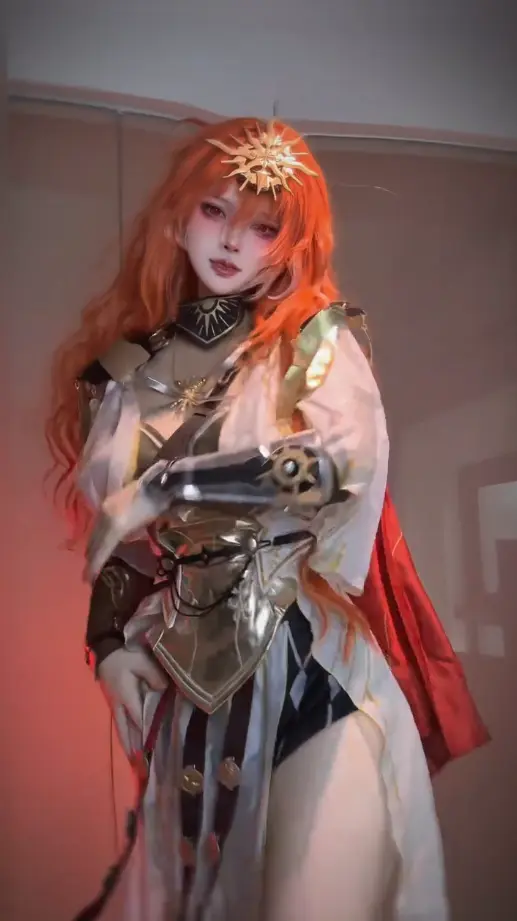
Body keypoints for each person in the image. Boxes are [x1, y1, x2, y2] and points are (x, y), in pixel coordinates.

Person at [46, 118, 488, 921]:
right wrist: (107, 643)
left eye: (262, 227)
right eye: (214, 210)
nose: (231, 241)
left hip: (309, 665)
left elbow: (337, 468)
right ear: (176, 218)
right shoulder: (125, 375)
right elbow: (126, 548)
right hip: (184, 677)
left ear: (288, 247)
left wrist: (172, 484)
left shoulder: (313, 345)